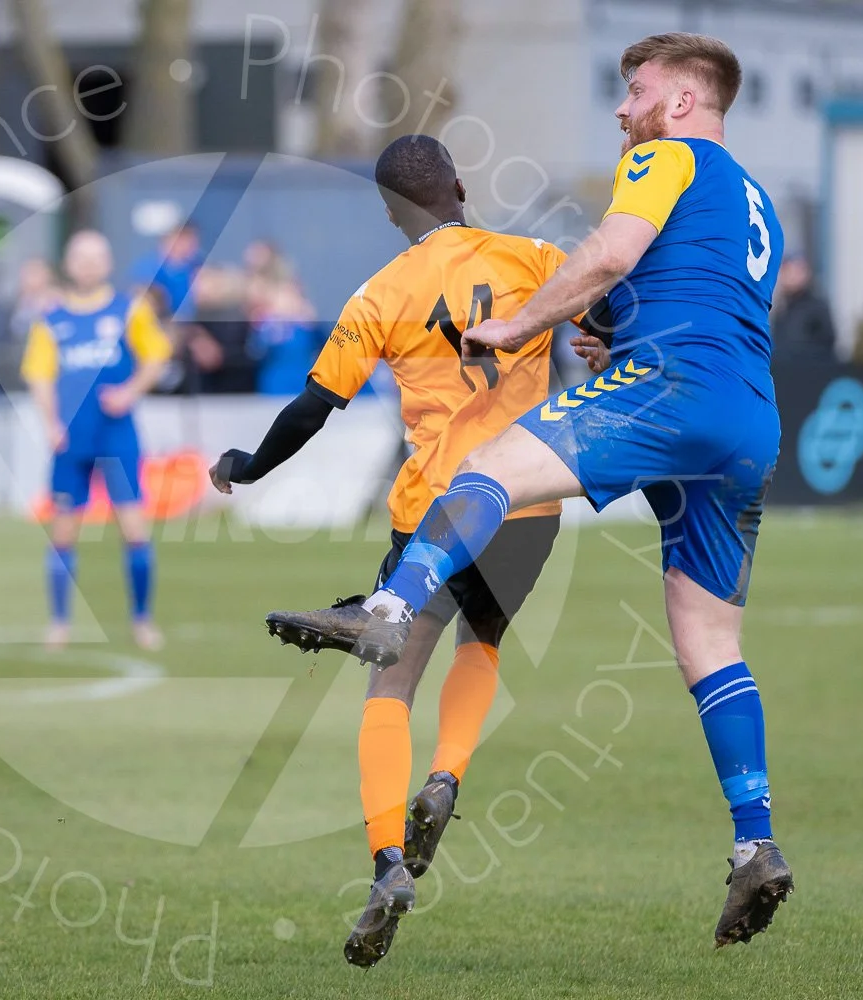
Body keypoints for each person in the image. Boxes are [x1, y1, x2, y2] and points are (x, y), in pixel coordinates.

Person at [264, 32, 796, 950]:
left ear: (679, 104)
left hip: (671, 387)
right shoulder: (760, 203)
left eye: (635, 93)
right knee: (709, 641)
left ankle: (390, 603)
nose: (624, 111)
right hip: (750, 418)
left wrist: (513, 327)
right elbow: (699, 297)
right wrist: (608, 339)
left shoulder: (663, 157)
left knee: (484, 473)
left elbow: (611, 258)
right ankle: (755, 842)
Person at [212, 134, 611, 968]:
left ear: (392, 213)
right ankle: (449, 776)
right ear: (461, 187)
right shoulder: (536, 257)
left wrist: (248, 466)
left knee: (391, 677)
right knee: (486, 641)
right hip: (528, 499)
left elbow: (314, 406)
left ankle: (388, 861)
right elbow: (610, 310)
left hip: (433, 505)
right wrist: (606, 345)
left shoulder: (383, 290)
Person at [22, 231, 173, 652]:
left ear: (107, 264)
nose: (88, 264)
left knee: (135, 530)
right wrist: (51, 422)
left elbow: (158, 355)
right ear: (68, 264)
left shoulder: (129, 310)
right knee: (64, 533)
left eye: (96, 257)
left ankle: (142, 621)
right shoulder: (50, 318)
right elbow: (39, 375)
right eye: (80, 257)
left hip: (116, 436)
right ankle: (59, 623)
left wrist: (131, 391)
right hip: (71, 439)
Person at [771, 254, 835, 360]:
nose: (791, 277)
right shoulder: (781, 309)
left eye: (796, 271)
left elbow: (827, 341)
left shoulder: (817, 306)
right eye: (787, 272)